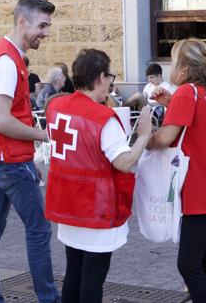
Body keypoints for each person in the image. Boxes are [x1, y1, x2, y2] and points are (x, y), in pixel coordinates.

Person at [0, 0, 60, 303]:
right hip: (6, 161)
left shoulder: (6, 55)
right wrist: (43, 135)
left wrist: (26, 154)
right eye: (43, 25)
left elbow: (0, 121)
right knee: (38, 230)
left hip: (0, 159)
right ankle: (48, 298)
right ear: (23, 21)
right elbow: (0, 121)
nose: (46, 33)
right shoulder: (8, 62)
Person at [45, 49, 153, 303]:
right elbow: (124, 162)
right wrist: (144, 134)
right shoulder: (104, 118)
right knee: (93, 277)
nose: (110, 83)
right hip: (96, 207)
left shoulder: (56, 107)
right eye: (110, 77)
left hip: (66, 203)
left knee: (74, 271)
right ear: (99, 78)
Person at [149, 38, 206, 303]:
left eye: (173, 62)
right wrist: (172, 103)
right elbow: (198, 126)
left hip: (199, 191)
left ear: (184, 69)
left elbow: (164, 138)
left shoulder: (188, 93)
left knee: (188, 265)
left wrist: (143, 140)